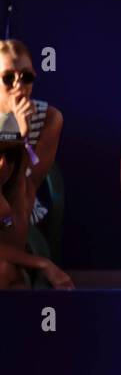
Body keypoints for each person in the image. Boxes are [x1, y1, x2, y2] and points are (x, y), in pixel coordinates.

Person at [0, 112, 72, 289]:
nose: (2, 164)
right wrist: (43, 263)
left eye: (10, 156)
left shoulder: (19, 190)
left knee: (7, 272)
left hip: (11, 263)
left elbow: (14, 244)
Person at [0, 40, 64, 230]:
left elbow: (27, 184)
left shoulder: (49, 118)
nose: (19, 85)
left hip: (20, 209)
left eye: (26, 77)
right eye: (8, 78)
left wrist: (23, 135)